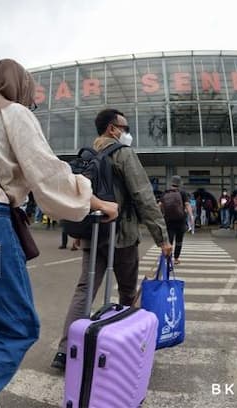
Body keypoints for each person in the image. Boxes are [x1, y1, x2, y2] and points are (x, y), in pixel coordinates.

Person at [0, 59, 118, 408]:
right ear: (21, 87)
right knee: (19, 328)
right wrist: (97, 203)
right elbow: (47, 173)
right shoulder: (14, 113)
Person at [51, 108, 172, 371]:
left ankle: (65, 350)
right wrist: (162, 237)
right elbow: (143, 196)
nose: (127, 132)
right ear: (111, 129)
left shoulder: (87, 155)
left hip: (94, 233)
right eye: (124, 127)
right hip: (122, 233)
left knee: (85, 290)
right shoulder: (123, 154)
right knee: (128, 291)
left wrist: (77, 232)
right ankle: (123, 346)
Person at [159, 175, 193, 264]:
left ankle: (168, 258)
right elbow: (187, 204)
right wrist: (191, 216)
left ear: (172, 182)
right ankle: (176, 259)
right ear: (179, 183)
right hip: (180, 220)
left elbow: (159, 205)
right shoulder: (182, 193)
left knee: (169, 240)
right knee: (179, 240)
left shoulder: (165, 192)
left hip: (168, 220)